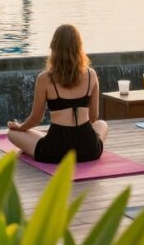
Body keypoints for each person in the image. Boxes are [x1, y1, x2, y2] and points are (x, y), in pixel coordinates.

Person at [7, 24, 108, 162]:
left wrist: (20, 127)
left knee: (12, 134)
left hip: (55, 150)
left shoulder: (45, 78)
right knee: (102, 124)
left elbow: (36, 119)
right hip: (88, 149)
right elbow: (94, 116)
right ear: (79, 47)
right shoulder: (92, 75)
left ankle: (41, 135)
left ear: (54, 47)